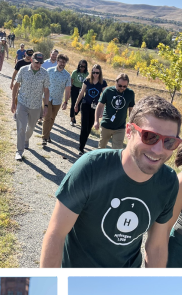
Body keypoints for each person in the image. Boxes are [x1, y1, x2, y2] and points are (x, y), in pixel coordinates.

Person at [40, 95, 182, 269]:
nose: (159, 149)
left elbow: (157, 247)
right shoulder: (91, 168)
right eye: (149, 136)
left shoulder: (168, 182)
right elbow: (56, 234)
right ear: (129, 131)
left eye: (169, 142)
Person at [12, 52, 50, 161]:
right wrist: (13, 102)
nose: (38, 65)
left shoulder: (45, 73)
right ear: (32, 60)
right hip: (22, 103)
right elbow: (16, 86)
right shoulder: (23, 70)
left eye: (40, 63)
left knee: (31, 128)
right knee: (21, 128)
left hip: (35, 105)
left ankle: (26, 139)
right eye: (37, 62)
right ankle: (19, 151)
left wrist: (46, 106)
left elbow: (46, 91)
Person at [73, 64, 107, 155]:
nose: (95, 74)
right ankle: (81, 148)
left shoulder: (103, 83)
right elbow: (81, 93)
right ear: (91, 72)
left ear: (100, 73)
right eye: (94, 72)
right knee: (84, 127)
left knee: (89, 127)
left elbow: (105, 97)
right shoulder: (87, 81)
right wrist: (76, 104)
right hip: (85, 105)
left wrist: (102, 110)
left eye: (97, 73)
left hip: (95, 107)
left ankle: (83, 143)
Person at [96, 73, 136, 150]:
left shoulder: (130, 93)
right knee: (101, 148)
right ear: (116, 82)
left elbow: (131, 110)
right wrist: (96, 121)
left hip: (120, 127)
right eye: (120, 85)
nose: (122, 88)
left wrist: (132, 124)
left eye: (125, 86)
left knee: (117, 151)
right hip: (106, 125)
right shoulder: (108, 91)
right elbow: (99, 106)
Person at [42, 54, 71, 145]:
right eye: (60, 61)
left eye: (64, 62)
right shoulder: (49, 71)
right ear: (57, 61)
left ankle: (47, 134)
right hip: (47, 98)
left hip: (57, 100)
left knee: (52, 118)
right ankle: (44, 138)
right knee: (47, 118)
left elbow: (67, 90)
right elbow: (43, 83)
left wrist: (66, 102)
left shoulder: (67, 75)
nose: (62, 63)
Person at [69, 60, 88, 126]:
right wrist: (69, 91)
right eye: (81, 66)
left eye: (84, 66)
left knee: (80, 105)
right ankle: (72, 119)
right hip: (74, 89)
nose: (82, 68)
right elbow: (71, 81)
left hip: (82, 90)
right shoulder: (75, 72)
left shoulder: (87, 74)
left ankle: (74, 114)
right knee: (73, 104)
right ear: (79, 65)